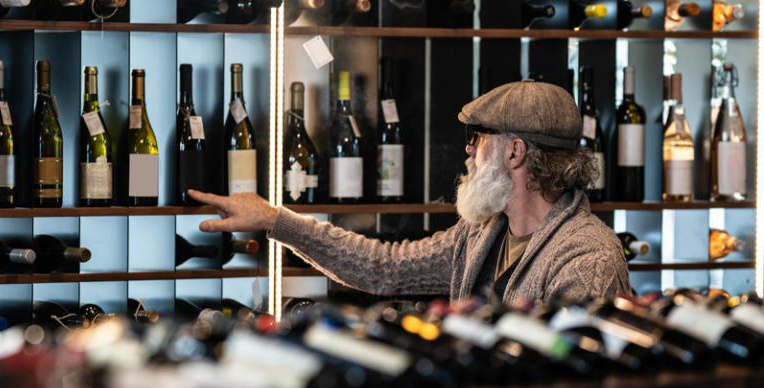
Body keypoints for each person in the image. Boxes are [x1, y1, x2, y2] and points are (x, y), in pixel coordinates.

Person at [188, 79, 631, 303]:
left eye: (478, 139)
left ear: (515, 152)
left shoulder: (588, 259)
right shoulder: (480, 234)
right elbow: (385, 268)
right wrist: (274, 220)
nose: (468, 151)